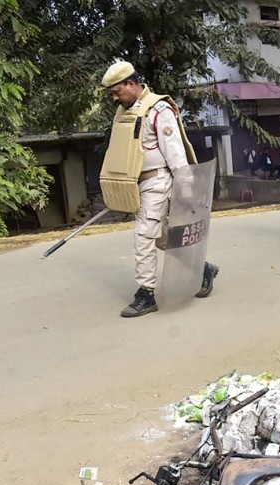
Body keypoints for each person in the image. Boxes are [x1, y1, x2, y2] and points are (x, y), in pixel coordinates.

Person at [99, 61, 219, 318]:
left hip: (157, 182)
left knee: (143, 235)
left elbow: (176, 156)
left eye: (117, 91)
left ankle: (146, 293)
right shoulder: (125, 111)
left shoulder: (158, 110)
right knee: (162, 237)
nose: (114, 97)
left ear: (131, 84)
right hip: (136, 183)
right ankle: (202, 268)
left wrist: (186, 193)